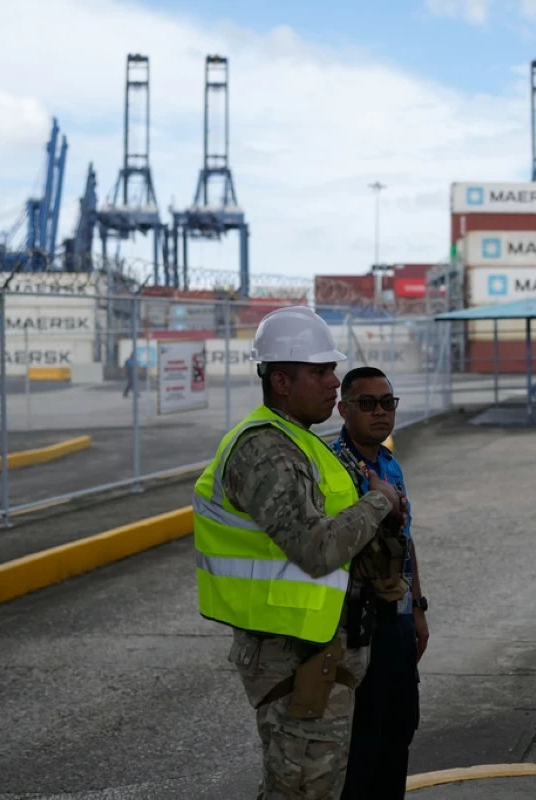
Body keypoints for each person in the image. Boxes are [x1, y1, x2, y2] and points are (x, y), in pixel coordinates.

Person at [191, 306, 408, 799]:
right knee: (304, 791)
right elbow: (316, 549)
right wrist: (379, 501)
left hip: (315, 651)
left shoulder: (299, 443)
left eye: (332, 370)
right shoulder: (266, 450)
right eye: (320, 372)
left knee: (314, 786)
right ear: (282, 382)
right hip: (291, 658)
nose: (334, 382)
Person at [332, 366, 429, 799]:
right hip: (357, 627)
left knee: (399, 730)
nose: (380, 412)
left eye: (387, 403)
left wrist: (419, 608)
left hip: (399, 622)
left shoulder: (388, 463)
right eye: (367, 404)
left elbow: (406, 540)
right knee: (361, 746)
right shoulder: (332, 468)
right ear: (344, 409)